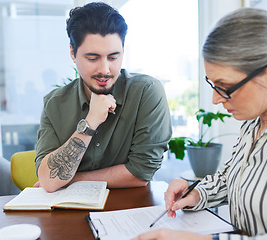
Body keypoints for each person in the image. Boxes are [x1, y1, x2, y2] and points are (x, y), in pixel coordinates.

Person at [134, 8, 267, 240]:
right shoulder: (254, 121)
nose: (216, 99)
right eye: (212, 84)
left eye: (225, 87)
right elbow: (234, 177)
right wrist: (197, 192)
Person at [34, 2, 172, 193]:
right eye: (93, 58)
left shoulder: (146, 92)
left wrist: (73, 180)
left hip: (129, 211)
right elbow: (48, 180)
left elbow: (141, 173)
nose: (105, 70)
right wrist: (89, 123)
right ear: (73, 53)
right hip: (67, 214)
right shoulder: (55, 103)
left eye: (114, 57)